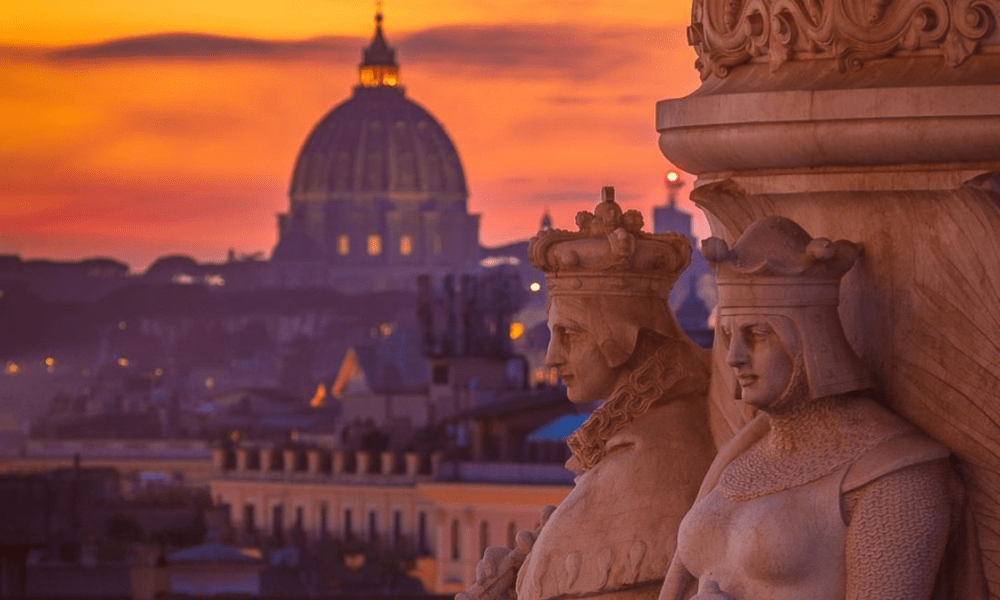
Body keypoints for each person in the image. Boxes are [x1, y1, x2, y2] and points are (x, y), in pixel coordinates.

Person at [659, 216, 960, 600]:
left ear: (810, 343)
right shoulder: (739, 456)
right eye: (729, 335)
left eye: (757, 335)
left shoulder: (894, 472)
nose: (734, 358)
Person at [458, 188, 716, 600]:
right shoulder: (635, 436)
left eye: (569, 334)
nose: (552, 357)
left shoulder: (654, 455)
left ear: (621, 336)